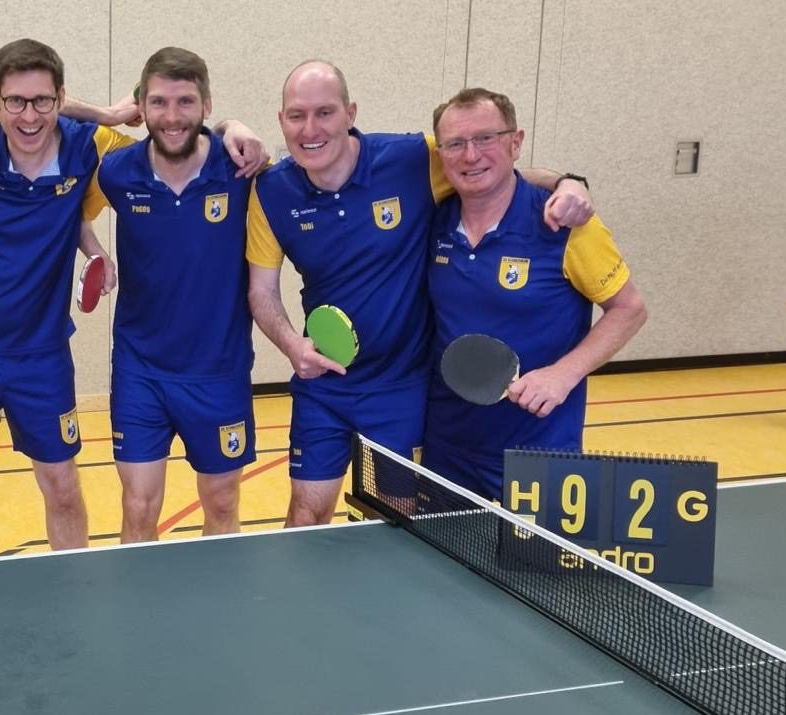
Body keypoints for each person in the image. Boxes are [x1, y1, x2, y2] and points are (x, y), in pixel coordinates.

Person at [0, 39, 266, 559]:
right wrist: (107, 112)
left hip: (41, 353)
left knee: (64, 489)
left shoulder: (93, 151)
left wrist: (232, 125)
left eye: (43, 101)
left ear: (61, 99)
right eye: (14, 101)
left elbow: (170, 141)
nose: (29, 115)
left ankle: (77, 592)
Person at [245, 61, 595, 526]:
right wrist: (292, 345)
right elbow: (262, 290)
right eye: (297, 115)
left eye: (325, 112)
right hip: (324, 385)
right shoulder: (270, 192)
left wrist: (569, 181)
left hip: (402, 386)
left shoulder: (411, 160)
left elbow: (491, 168)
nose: (311, 129)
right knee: (305, 514)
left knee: (396, 522)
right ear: (281, 120)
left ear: (350, 113)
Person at [423, 87, 647, 499]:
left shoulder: (566, 224)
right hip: (446, 447)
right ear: (441, 154)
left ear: (516, 142)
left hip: (539, 450)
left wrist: (563, 374)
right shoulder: (433, 218)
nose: (470, 155)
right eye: (455, 144)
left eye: (486, 138)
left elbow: (629, 309)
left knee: (534, 548)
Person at [92, 47, 258, 542]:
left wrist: (234, 126)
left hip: (219, 370)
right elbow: (72, 205)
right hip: (140, 369)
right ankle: (140, 596)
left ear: (206, 104)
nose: (171, 116)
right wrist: (95, 252)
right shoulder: (117, 171)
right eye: (159, 102)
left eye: (185, 102)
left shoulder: (240, 169)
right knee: (138, 505)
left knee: (222, 503)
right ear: (141, 106)